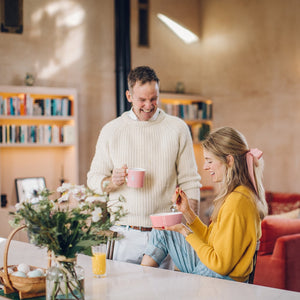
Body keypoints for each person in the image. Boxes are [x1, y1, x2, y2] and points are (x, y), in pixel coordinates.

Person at [87, 66, 201, 265]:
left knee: (162, 294)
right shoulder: (111, 130)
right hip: (123, 234)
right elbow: (94, 180)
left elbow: (190, 181)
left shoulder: (178, 128)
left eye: (154, 98)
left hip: (165, 234)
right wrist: (112, 182)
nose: (149, 105)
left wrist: (192, 230)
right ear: (129, 96)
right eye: (142, 100)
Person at [141, 126, 268, 282]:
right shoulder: (238, 194)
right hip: (218, 271)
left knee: (165, 232)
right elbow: (211, 241)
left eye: (209, 161)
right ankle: (142, 280)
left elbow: (220, 265)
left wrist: (185, 232)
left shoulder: (237, 201)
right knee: (164, 230)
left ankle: (141, 281)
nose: (205, 166)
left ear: (229, 160)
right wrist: (188, 212)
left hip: (221, 278)